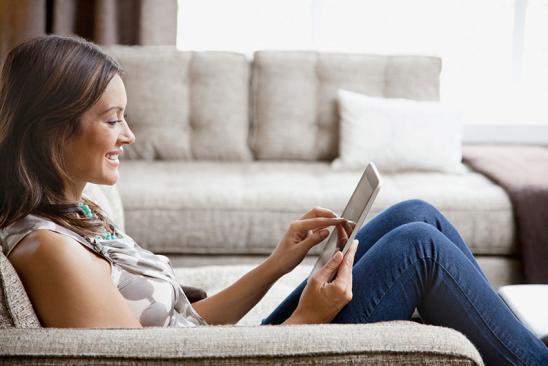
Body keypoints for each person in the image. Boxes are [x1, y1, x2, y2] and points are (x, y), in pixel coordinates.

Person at [0, 35, 545, 366]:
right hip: (256, 359)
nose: (130, 136)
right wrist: (305, 318)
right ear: (53, 129)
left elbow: (183, 331)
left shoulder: (78, 217)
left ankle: (521, 348)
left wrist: (278, 265)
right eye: (113, 119)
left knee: (412, 214)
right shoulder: (53, 252)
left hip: (222, 350)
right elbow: (148, 361)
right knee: (420, 248)